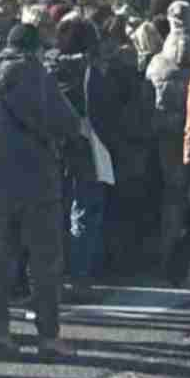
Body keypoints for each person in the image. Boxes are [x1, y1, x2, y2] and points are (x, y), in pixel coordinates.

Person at [0, 24, 84, 359]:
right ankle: (49, 337)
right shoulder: (36, 74)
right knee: (44, 262)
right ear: (35, 48)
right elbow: (66, 122)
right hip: (38, 182)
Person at [44, 17, 118, 302]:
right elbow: (103, 114)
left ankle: (56, 277)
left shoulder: (48, 68)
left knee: (58, 213)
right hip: (88, 147)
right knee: (86, 213)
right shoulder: (91, 72)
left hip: (55, 148)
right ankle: (80, 278)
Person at [147, 1, 190, 282]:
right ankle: (188, 259)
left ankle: (165, 256)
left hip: (163, 138)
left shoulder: (157, 63)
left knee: (171, 196)